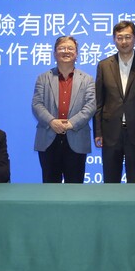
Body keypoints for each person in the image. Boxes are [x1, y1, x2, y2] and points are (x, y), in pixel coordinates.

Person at [94, 20, 135, 183]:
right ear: (114, 39)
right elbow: (98, 102)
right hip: (110, 132)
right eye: (119, 37)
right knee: (111, 181)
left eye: (128, 37)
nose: (124, 42)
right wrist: (98, 132)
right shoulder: (104, 65)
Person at [32, 36, 96, 183]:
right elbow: (37, 104)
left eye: (70, 48)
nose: (66, 51)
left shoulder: (87, 79)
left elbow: (91, 105)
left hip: (76, 137)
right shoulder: (43, 78)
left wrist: (71, 123)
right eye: (61, 48)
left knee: (75, 188)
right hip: (49, 138)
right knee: (50, 186)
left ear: (77, 53)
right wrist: (52, 121)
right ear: (55, 53)